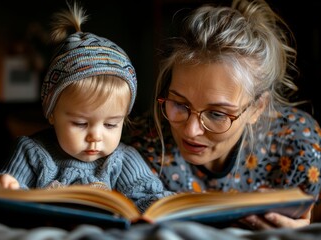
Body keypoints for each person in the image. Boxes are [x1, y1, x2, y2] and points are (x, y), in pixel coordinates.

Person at [124, 0, 321, 229]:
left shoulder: (297, 144)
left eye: (217, 114)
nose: (190, 130)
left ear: (257, 108)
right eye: (179, 104)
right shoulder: (141, 146)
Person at [0, 2, 173, 213]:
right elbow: (11, 193)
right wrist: (7, 187)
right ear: (51, 113)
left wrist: (163, 205)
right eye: (80, 123)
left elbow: (148, 198)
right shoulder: (31, 152)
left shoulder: (123, 160)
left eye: (111, 124)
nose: (95, 136)